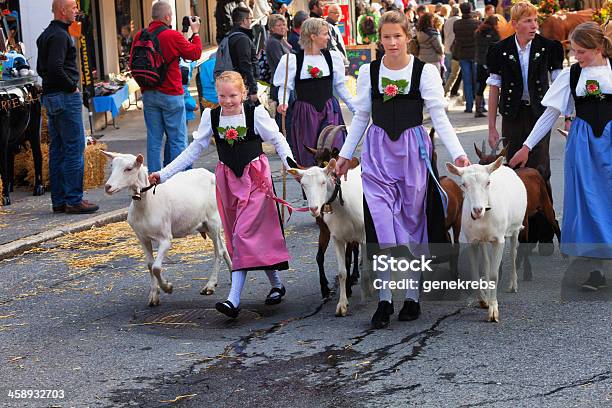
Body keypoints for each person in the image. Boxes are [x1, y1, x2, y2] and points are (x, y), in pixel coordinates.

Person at [335, 10, 470, 329]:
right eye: (386, 37)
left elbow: (439, 117)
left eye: (397, 36)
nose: (392, 42)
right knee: (382, 225)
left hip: (412, 152)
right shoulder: (369, 72)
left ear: (407, 37)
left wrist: (460, 155)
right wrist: (344, 155)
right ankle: (384, 299)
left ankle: (411, 296)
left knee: (412, 225)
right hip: (378, 153)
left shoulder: (424, 72)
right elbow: (361, 118)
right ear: (379, 39)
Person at [149, 71, 294, 318]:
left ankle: (233, 299)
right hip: (227, 181)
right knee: (246, 235)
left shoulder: (255, 113)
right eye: (222, 96)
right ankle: (276, 283)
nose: (227, 101)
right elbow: (193, 149)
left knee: (242, 235)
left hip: (255, 180)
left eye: (233, 95)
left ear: (244, 93)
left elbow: (278, 139)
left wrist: (291, 165)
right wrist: (163, 174)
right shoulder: (211, 116)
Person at [509, 22, 611, 290]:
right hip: (584, 144)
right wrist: (527, 146)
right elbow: (550, 114)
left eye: (582, 52)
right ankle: (596, 270)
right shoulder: (571, 75)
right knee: (588, 202)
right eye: (574, 51)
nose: (576, 56)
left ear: (599, 47)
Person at [487, 1, 564, 253]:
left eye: (535, 20)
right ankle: (523, 234)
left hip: (540, 114)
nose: (534, 25)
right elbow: (494, 88)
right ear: (515, 23)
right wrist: (491, 127)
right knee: (514, 170)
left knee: (540, 169)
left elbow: (558, 85)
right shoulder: (499, 50)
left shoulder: (549, 48)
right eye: (528, 21)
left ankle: (545, 232)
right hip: (511, 115)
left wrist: (566, 115)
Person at [36, 0, 99, 214]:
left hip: (52, 96)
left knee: (58, 149)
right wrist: (72, 86)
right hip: (64, 96)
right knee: (73, 148)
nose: (76, 11)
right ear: (63, 11)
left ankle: (60, 199)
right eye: (73, 8)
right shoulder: (61, 36)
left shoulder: (46, 34)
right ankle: (73, 199)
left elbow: (41, 68)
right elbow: (54, 68)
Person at [274, 17, 355, 167]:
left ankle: (335, 187)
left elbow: (340, 86)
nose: (328, 37)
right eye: (325, 34)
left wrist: (355, 107)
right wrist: (283, 103)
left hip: (330, 111)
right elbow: (285, 87)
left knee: (333, 152)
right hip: (305, 114)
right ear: (313, 36)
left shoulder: (332, 57)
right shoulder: (292, 60)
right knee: (309, 156)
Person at [132, 1, 202, 173]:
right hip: (171, 94)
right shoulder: (172, 35)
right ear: (167, 17)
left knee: (154, 140)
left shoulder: (140, 35)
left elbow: (132, 63)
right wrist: (196, 32)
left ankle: (153, 178)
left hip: (148, 94)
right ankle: (180, 177)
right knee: (177, 139)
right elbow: (194, 53)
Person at [265, 14, 293, 139]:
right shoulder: (273, 42)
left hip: (287, 81)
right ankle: (282, 140)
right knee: (282, 114)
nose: (282, 28)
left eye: (284, 25)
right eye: (279, 25)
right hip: (279, 83)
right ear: (272, 28)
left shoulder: (281, 40)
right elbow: (280, 63)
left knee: (287, 113)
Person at [226, 7, 259, 104]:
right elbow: (246, 65)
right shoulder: (242, 39)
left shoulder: (231, 35)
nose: (251, 21)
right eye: (250, 18)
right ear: (244, 20)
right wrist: (253, 89)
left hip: (235, 82)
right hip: (244, 86)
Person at [453, 2, 479, 113]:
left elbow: (457, 39)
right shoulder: (477, 23)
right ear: (470, 9)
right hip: (475, 54)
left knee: (467, 81)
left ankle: (469, 106)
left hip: (463, 54)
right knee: (477, 80)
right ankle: (479, 104)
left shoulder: (457, 24)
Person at [474, 15, 500, 117]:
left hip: (480, 61)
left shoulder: (478, 32)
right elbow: (497, 47)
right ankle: (493, 110)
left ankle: (478, 110)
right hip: (491, 63)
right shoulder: (494, 33)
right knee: (494, 86)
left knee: (481, 86)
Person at [442, 5, 460, 93]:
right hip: (456, 49)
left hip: (447, 47)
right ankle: (451, 90)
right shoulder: (459, 21)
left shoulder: (447, 21)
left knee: (448, 71)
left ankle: (446, 88)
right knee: (454, 73)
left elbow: (444, 34)